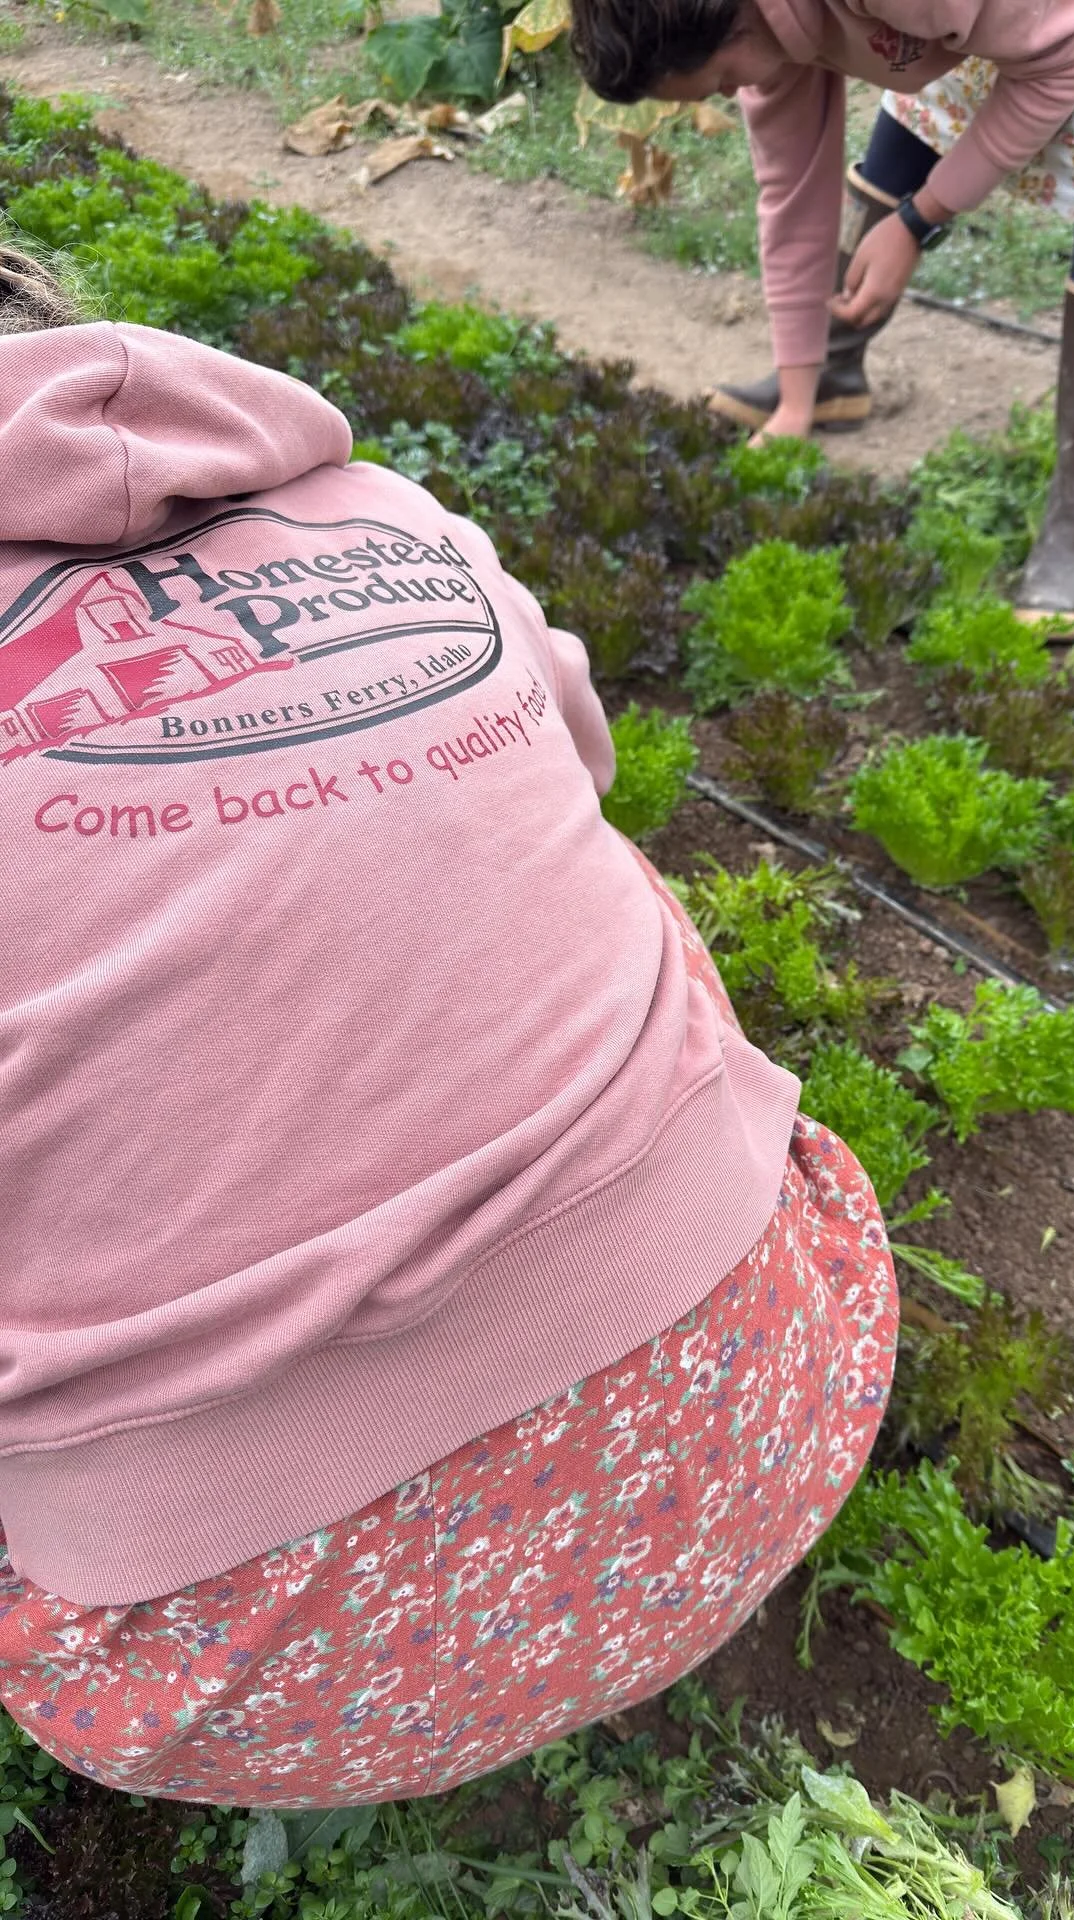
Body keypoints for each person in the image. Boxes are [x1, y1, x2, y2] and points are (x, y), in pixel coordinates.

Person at [0, 247, 897, 1806]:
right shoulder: (396, 516)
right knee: (591, 855)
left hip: (236, 1679)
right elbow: (586, 762)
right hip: (767, 1407)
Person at [570, 0, 1074, 636]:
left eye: (720, 82)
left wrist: (919, 220)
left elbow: (1073, 45)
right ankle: (831, 378)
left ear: (735, 29)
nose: (728, 93)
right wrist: (796, 399)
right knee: (928, 92)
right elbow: (792, 190)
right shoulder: (750, 21)